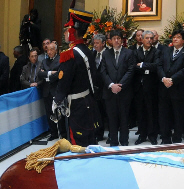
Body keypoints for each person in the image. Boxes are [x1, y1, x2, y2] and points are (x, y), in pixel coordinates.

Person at [53, 5, 99, 147]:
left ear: (73, 31)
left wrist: (57, 100)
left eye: (67, 29)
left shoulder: (70, 54)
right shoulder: (87, 50)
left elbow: (64, 81)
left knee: (77, 143)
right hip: (88, 101)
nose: (65, 33)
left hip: (76, 105)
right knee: (89, 139)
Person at [157, 29, 184, 144]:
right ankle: (165, 138)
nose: (175, 39)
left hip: (179, 89)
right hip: (164, 88)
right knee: (164, 115)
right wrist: (164, 78)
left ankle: (177, 138)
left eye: (178, 37)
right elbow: (159, 65)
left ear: (183, 40)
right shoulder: (166, 50)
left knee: (179, 115)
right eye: (174, 37)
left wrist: (172, 80)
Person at [101, 30, 136, 146]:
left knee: (124, 118)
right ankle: (114, 141)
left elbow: (130, 71)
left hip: (124, 91)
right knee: (112, 118)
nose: (116, 40)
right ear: (110, 41)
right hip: (110, 92)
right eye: (114, 38)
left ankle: (124, 141)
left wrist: (120, 85)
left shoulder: (129, 53)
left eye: (119, 38)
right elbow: (103, 71)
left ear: (122, 40)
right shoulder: (106, 53)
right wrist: (111, 85)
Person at [133, 30, 160, 145]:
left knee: (152, 112)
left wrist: (143, 65)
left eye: (151, 38)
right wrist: (147, 68)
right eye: (147, 38)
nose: (149, 40)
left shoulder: (156, 52)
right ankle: (142, 135)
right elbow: (134, 67)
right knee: (140, 112)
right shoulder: (135, 52)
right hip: (139, 88)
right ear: (142, 39)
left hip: (152, 87)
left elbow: (156, 66)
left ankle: (152, 135)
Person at [37, 42, 64, 140]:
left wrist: (47, 75)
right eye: (47, 50)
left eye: (51, 49)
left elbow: (59, 74)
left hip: (56, 90)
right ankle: (53, 133)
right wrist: (50, 73)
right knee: (49, 113)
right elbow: (39, 74)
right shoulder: (44, 61)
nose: (49, 52)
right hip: (46, 91)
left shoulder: (60, 59)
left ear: (55, 50)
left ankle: (62, 133)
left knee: (59, 112)